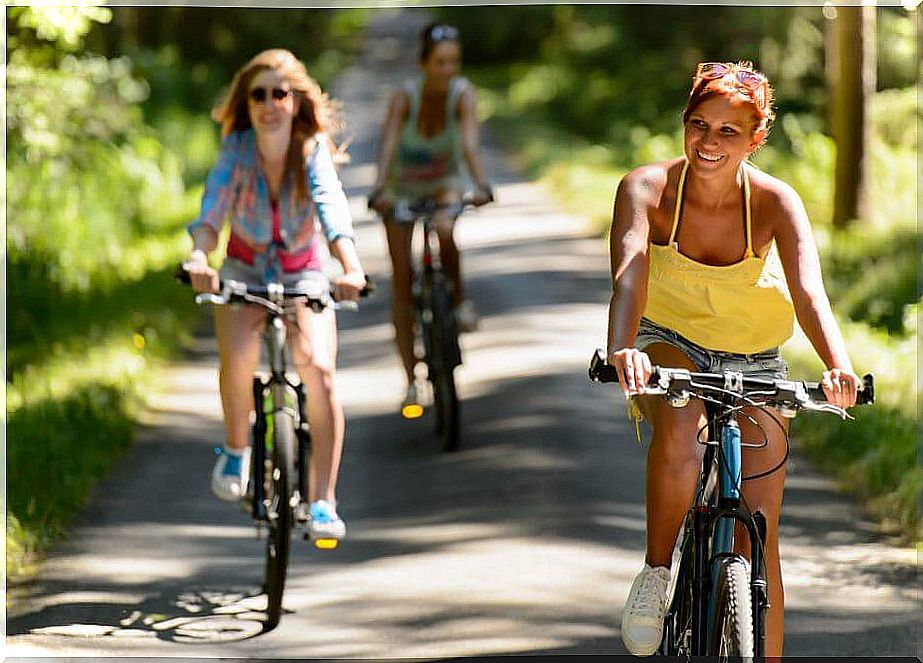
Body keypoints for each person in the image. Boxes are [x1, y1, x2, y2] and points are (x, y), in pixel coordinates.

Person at [605, 61, 860, 657]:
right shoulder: (646, 189)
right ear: (684, 123)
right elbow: (629, 278)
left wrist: (837, 365)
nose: (710, 142)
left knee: (760, 538)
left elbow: (808, 291)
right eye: (700, 125)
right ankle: (656, 573)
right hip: (667, 342)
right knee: (681, 412)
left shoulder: (775, 201)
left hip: (755, 359)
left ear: (756, 138)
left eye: (728, 131)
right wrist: (621, 348)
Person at [184, 49, 366, 542]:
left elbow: (333, 212)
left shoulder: (311, 150)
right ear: (247, 103)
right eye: (258, 94)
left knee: (321, 373)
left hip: (304, 271)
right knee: (239, 358)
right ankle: (238, 448)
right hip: (244, 267)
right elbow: (212, 210)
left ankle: (324, 499)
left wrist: (349, 267)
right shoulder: (237, 149)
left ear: (295, 100)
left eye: (279, 93)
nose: (269, 103)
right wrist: (200, 258)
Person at [367, 22, 494, 412]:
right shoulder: (405, 97)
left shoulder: (462, 94)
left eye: (453, 62)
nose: (447, 70)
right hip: (401, 186)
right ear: (423, 63)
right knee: (403, 281)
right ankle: (410, 381)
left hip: (444, 181)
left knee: (444, 226)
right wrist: (379, 190)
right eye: (440, 63)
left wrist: (481, 184)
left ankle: (458, 302)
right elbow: (388, 145)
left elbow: (470, 143)